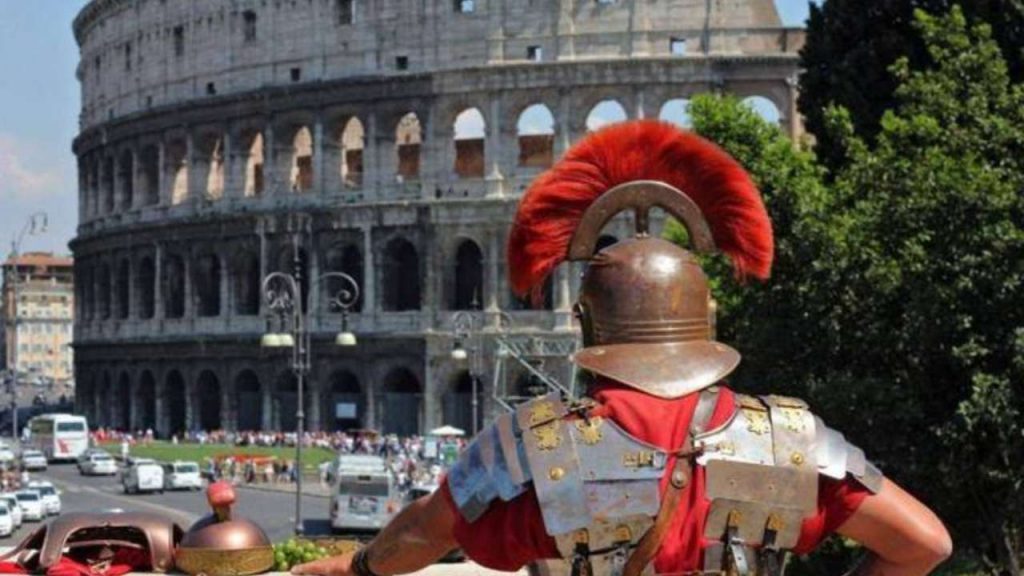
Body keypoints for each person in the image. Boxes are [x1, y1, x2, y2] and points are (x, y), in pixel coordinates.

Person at [292, 121, 951, 576]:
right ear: (705, 319)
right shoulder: (781, 441)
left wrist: (355, 566)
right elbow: (924, 543)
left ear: (589, 326)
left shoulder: (535, 447)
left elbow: (424, 533)